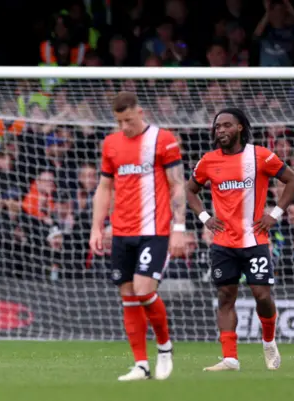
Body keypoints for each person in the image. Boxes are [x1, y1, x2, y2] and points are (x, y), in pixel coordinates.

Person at [186, 108, 294, 372]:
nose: (221, 130)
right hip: (223, 243)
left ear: (239, 128)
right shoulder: (208, 161)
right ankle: (230, 358)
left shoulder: (259, 155)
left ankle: (269, 340)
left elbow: (292, 180)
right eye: (217, 127)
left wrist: (275, 213)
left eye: (227, 125)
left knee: (262, 296)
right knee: (225, 297)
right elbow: (190, 190)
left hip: (255, 239)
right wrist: (204, 217)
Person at [90, 91, 187, 381]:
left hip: (154, 230)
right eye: (119, 121)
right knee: (128, 296)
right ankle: (141, 365)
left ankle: (165, 348)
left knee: (144, 290)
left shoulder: (164, 139)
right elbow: (105, 188)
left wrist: (179, 228)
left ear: (140, 112)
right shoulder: (111, 144)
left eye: (129, 120)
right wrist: (97, 226)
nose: (124, 127)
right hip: (121, 231)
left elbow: (177, 185)